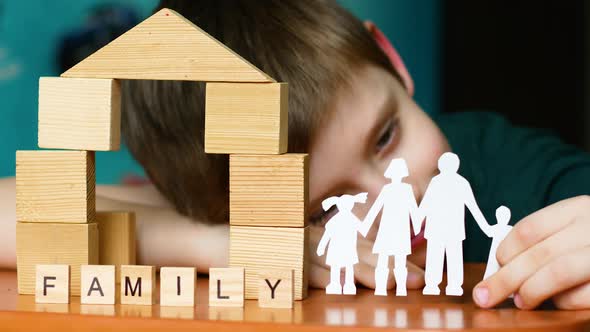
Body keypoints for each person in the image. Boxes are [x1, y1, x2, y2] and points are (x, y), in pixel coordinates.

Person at [1, 0, 590, 310]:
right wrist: (209, 241)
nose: (393, 195)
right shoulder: (236, 209)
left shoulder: (506, 162)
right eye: (326, 208)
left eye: (386, 137)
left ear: (391, 58)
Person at [416, 152, 492, 296]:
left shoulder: (454, 183)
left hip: (447, 229)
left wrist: (485, 226)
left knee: (447, 257)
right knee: (445, 257)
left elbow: (472, 205)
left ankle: (448, 285)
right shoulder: (449, 182)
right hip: (442, 229)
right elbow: (426, 204)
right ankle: (440, 285)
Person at [360, 158, 420, 296]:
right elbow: (376, 208)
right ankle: (381, 286)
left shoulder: (407, 189)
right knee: (383, 258)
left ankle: (401, 288)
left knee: (399, 260)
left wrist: (416, 225)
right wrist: (366, 225)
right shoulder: (386, 189)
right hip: (387, 228)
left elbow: (412, 208)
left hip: (400, 229)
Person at [316, 193, 368, 295]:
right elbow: (327, 234)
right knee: (339, 267)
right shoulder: (343, 219)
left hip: (345, 248)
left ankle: (347, 285)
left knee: (345, 267)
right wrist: (321, 246)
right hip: (338, 248)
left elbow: (363, 230)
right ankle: (338, 284)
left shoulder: (348, 219)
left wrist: (321, 247)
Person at [483, 206, 513, 281]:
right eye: (500, 216)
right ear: (497, 216)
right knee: (492, 269)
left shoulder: (510, 229)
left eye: (505, 216)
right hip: (495, 255)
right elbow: (486, 229)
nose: (502, 218)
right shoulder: (498, 228)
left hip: (506, 255)